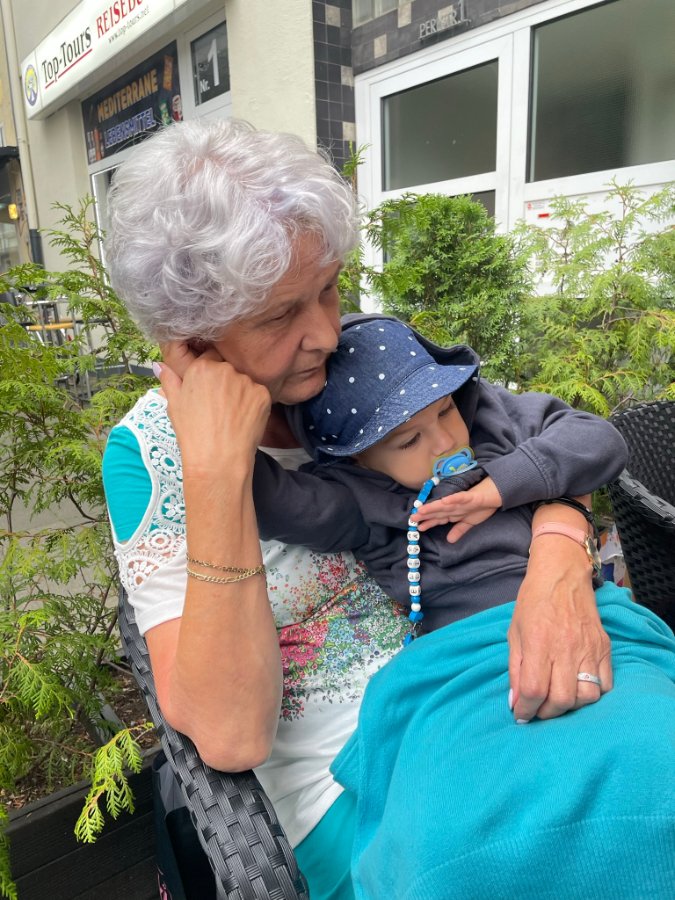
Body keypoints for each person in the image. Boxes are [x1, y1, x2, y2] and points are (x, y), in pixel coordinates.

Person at [99, 118, 670, 899]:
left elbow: (525, 438)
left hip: (519, 672)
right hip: (368, 782)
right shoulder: (147, 457)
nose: (324, 333)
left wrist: (557, 555)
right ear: (190, 333)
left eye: (328, 288)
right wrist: (215, 467)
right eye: (278, 316)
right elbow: (230, 737)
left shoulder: (372, 360)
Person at [252, 315, 625, 645]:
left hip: (589, 608)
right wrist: (219, 414)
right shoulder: (359, 499)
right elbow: (263, 497)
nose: (446, 441)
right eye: (410, 440)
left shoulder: (491, 422)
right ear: (357, 457)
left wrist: (502, 484)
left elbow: (599, 439)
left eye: (445, 410)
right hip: (465, 652)